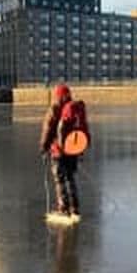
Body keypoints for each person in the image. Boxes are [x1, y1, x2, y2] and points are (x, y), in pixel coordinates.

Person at [40, 83, 81, 217]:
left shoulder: (55, 108)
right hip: (72, 149)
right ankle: (74, 208)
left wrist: (43, 147)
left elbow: (48, 129)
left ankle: (63, 209)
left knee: (59, 180)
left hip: (58, 150)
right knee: (70, 178)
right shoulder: (73, 108)